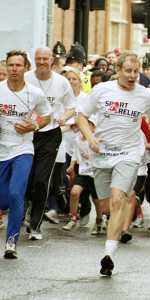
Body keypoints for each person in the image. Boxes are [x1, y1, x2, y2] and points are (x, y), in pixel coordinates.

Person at [76, 52, 150, 277]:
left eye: (136, 71)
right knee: (105, 207)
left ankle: (109, 254)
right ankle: (115, 224)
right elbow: (82, 117)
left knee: (117, 199)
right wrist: (91, 138)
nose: (133, 76)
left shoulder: (145, 95)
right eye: (128, 71)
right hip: (102, 154)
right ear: (118, 70)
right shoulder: (102, 90)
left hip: (129, 153)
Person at [0, 50, 51, 259]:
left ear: (25, 68)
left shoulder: (35, 93)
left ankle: (11, 240)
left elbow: (47, 116)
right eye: (10, 65)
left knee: (15, 193)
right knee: (4, 200)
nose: (14, 69)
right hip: (1, 150)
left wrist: (34, 126)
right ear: (6, 67)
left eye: (18, 65)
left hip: (23, 149)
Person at [25, 47, 76, 240]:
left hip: (50, 134)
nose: (42, 62)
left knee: (41, 180)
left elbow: (72, 107)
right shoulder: (27, 78)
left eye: (45, 59)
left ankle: (35, 225)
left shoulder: (61, 82)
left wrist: (64, 116)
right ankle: (27, 208)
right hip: (28, 134)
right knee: (28, 180)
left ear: (52, 60)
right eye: (38, 59)